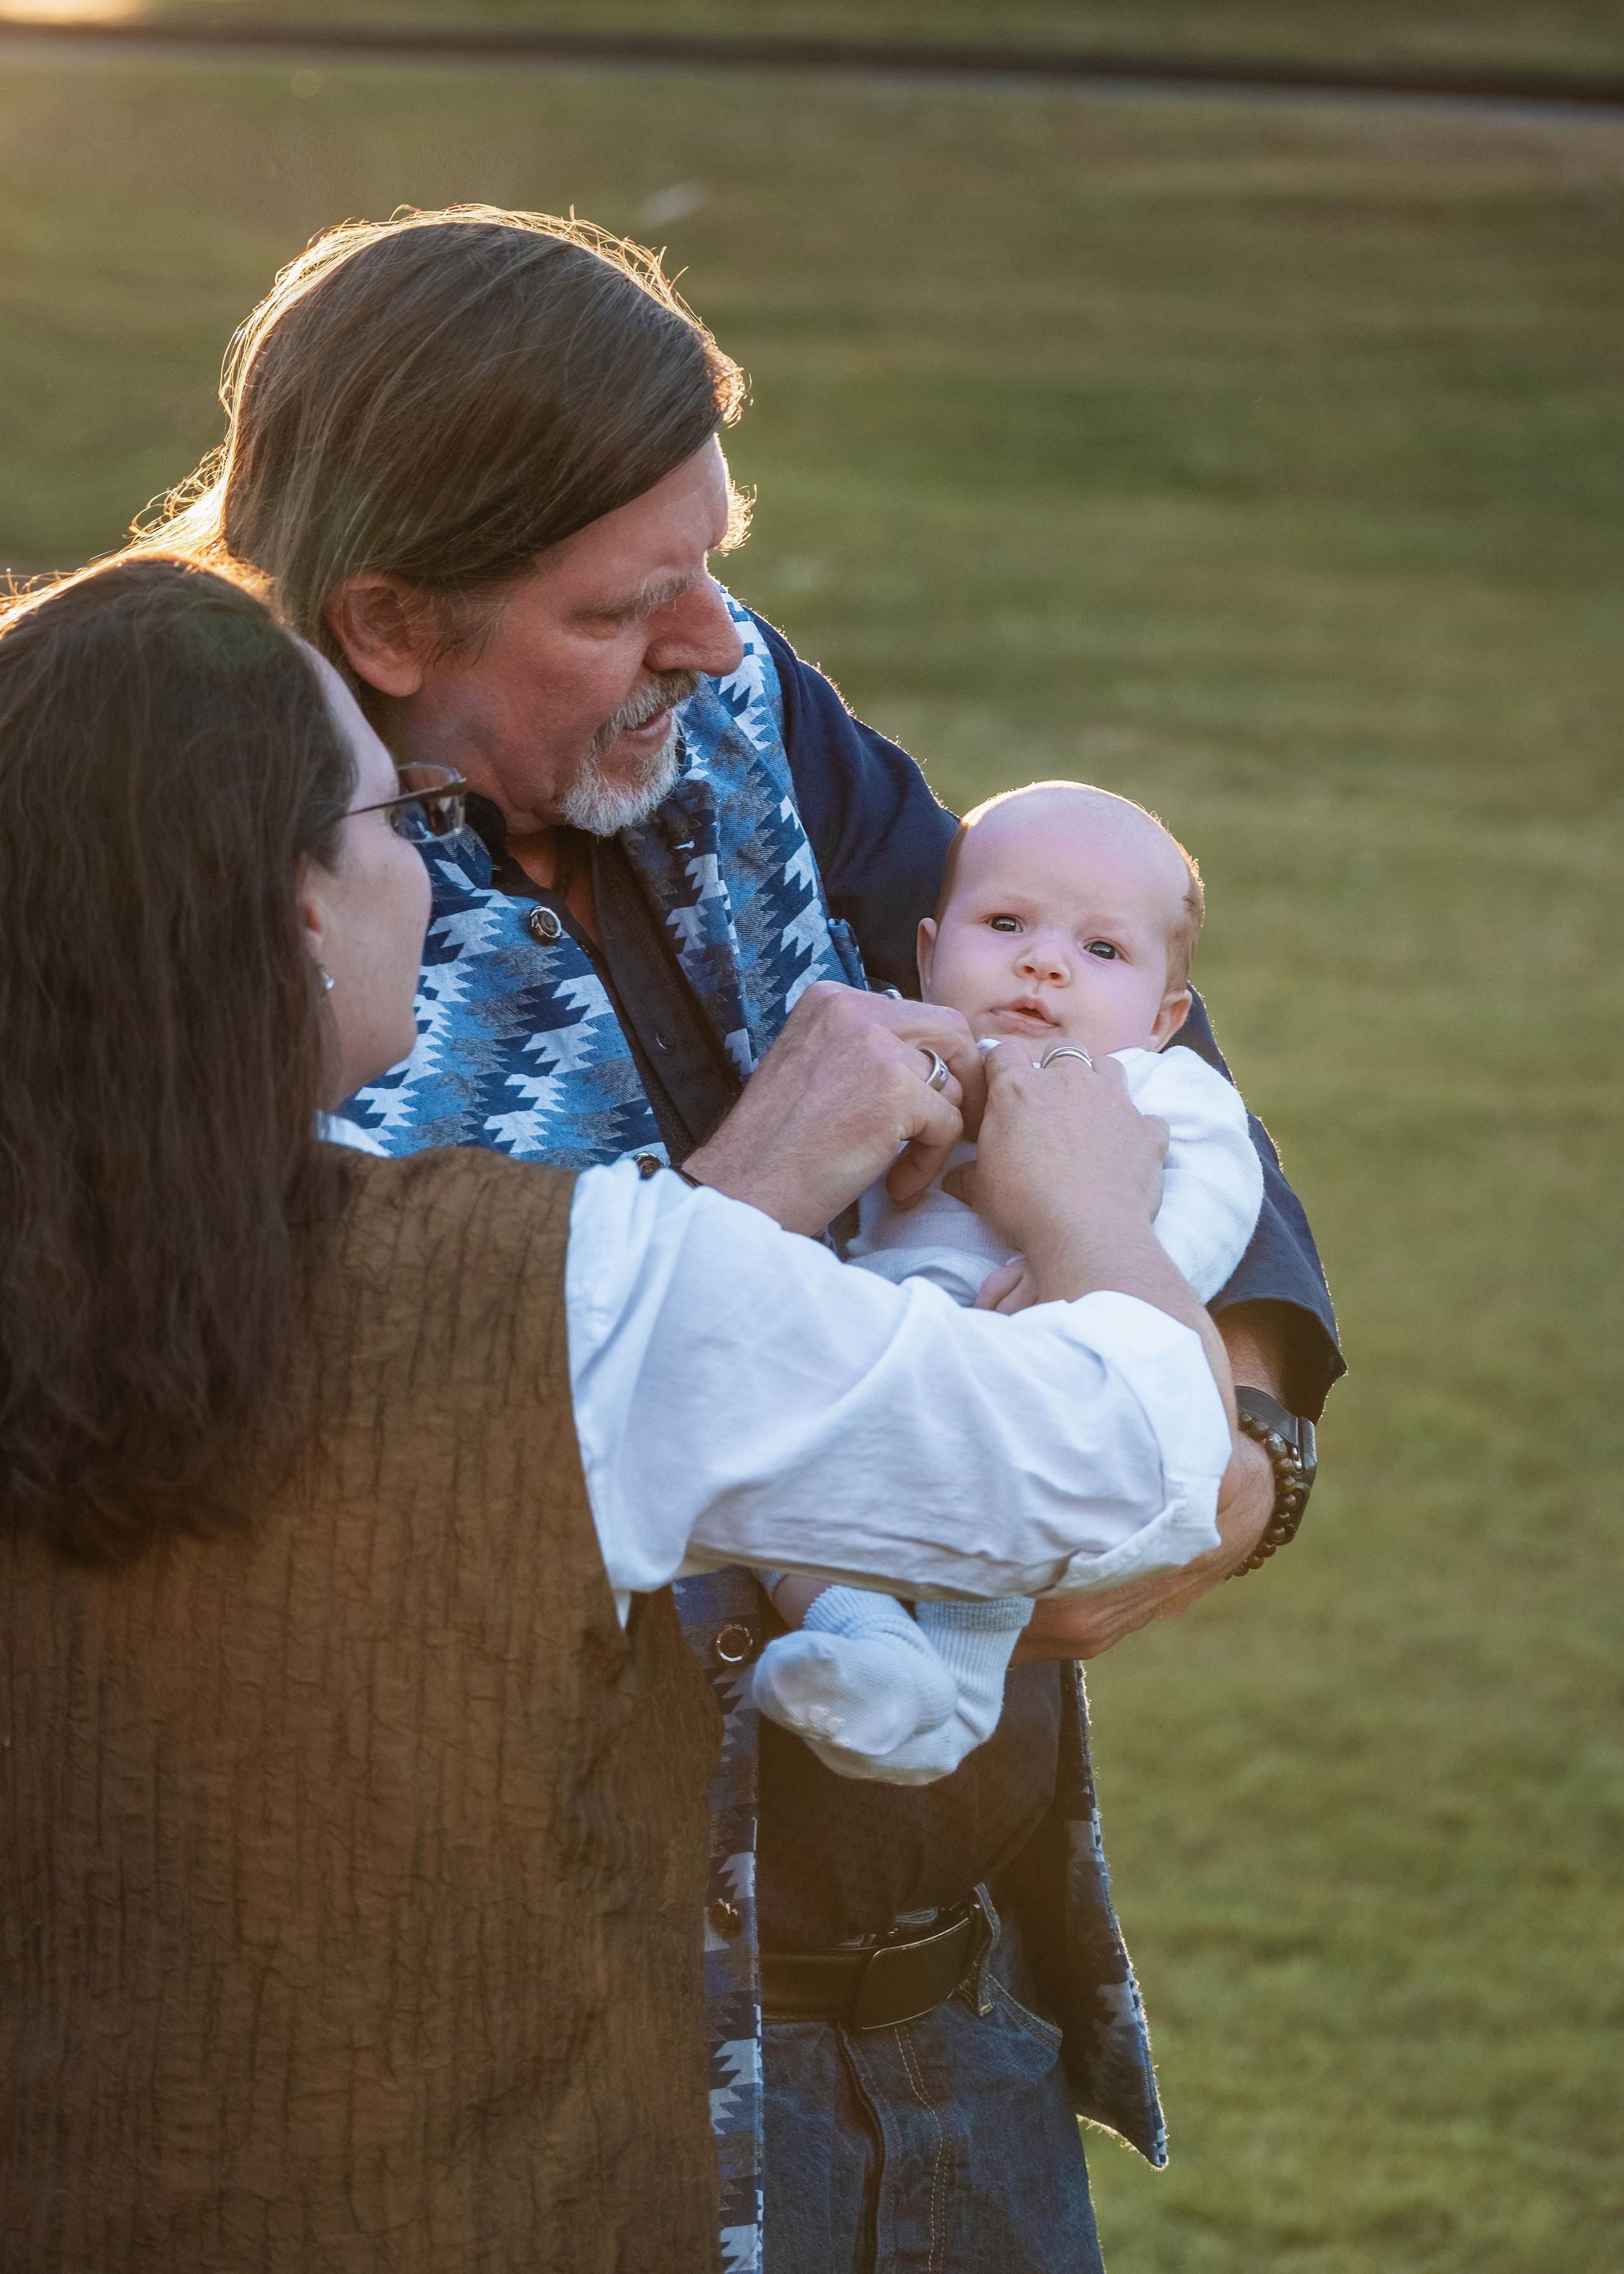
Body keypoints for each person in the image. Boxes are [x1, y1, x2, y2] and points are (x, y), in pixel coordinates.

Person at [142, 206, 1342, 2272]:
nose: (712, 635)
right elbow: (318, 1484)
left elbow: (1098, 1013)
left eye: (717, 553)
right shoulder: (208, 897)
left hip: (950, 2000)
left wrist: (1238, 1436)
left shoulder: (726, 697)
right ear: (392, 622)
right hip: (557, 2076)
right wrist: (751, 1186)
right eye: (628, 603)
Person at [0, 557, 1240, 2273]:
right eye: (396, 822)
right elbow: (1132, 1456)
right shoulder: (568, 1293)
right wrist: (1087, 1198)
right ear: (300, 912)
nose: (429, 874)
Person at [752, 782, 1265, 1785]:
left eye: (1101, 949)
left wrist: (1082, 1251)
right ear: (929, 952)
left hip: (1021, 1344)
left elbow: (1218, 1200)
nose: (1044, 962)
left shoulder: (1151, 1087)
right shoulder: (901, 1054)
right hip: (881, 1341)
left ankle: (959, 1685)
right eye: (1005, 925)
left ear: (1164, 1016)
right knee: (769, 1480)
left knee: (1003, 1503)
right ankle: (869, 1650)